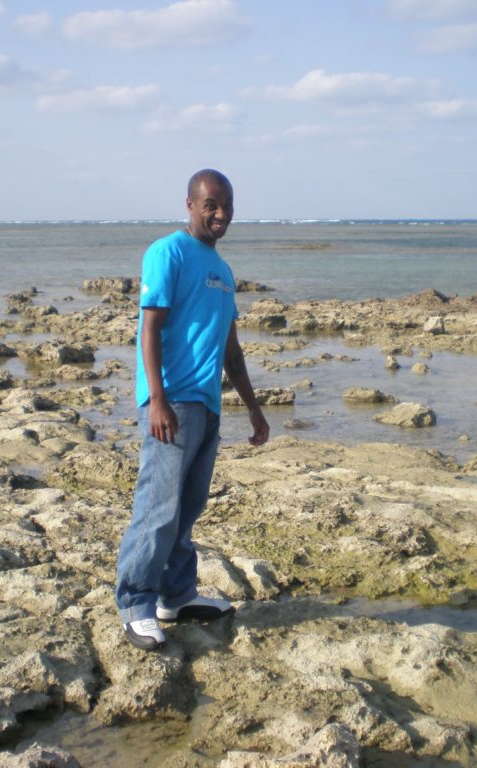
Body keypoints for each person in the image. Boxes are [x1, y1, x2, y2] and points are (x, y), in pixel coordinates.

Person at [115, 169, 269, 650]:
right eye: (211, 205)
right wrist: (157, 399)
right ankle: (135, 605)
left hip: (207, 405)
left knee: (186, 510)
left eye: (227, 205)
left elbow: (231, 351)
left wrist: (254, 409)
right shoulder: (168, 252)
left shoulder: (223, 271)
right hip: (173, 403)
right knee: (157, 509)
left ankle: (176, 597)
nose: (221, 213)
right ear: (190, 205)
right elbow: (149, 329)